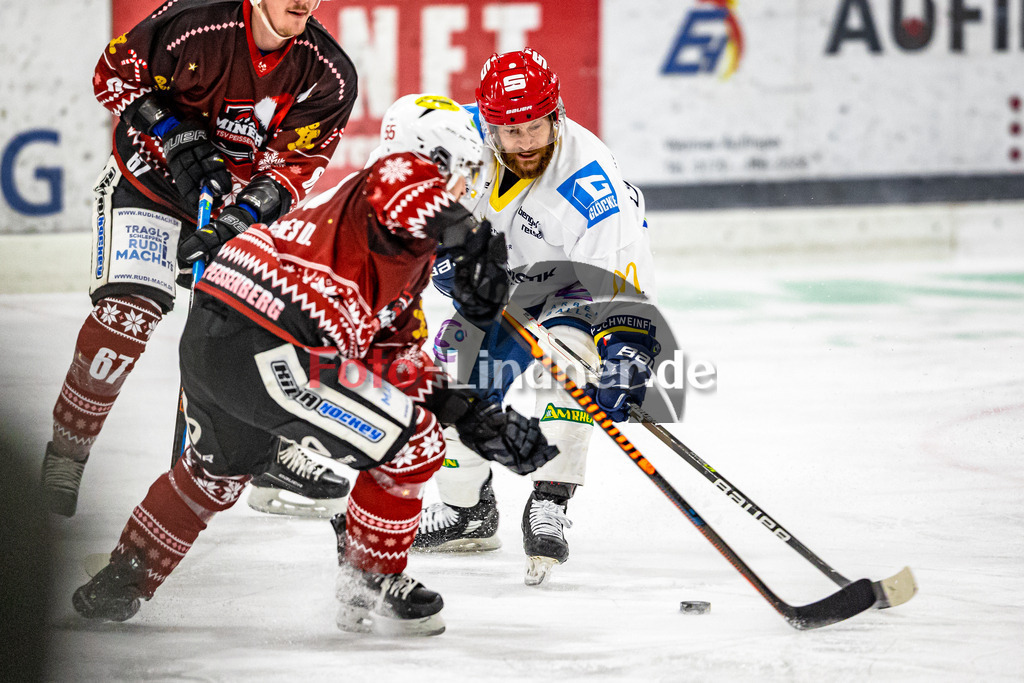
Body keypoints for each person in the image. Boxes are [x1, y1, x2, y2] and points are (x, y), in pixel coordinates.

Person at [70, 95, 560, 637]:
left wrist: (470, 415)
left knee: (216, 472)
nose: (472, 188)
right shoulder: (392, 178)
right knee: (414, 446)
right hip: (273, 344)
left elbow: (396, 358)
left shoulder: (397, 252)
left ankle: (126, 575)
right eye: (467, 171)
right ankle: (368, 579)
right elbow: (404, 190)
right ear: (436, 160)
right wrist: (464, 235)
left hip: (216, 338)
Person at [41, 0, 358, 518]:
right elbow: (111, 76)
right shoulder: (193, 22)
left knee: (256, 331)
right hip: (148, 182)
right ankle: (68, 451)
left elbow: (295, 168)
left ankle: (266, 452)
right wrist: (172, 132)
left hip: (231, 207)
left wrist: (241, 218)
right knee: (128, 313)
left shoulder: (328, 73)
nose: (303, 1)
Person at [412, 49, 660, 586]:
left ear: (558, 114)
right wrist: (446, 259)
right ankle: (466, 513)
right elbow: (413, 214)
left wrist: (627, 356)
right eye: (510, 130)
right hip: (495, 286)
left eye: (536, 127)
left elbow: (618, 289)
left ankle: (551, 501)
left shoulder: (593, 186)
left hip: (574, 286)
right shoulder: (460, 144)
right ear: (488, 123)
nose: (525, 143)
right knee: (450, 383)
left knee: (572, 372)